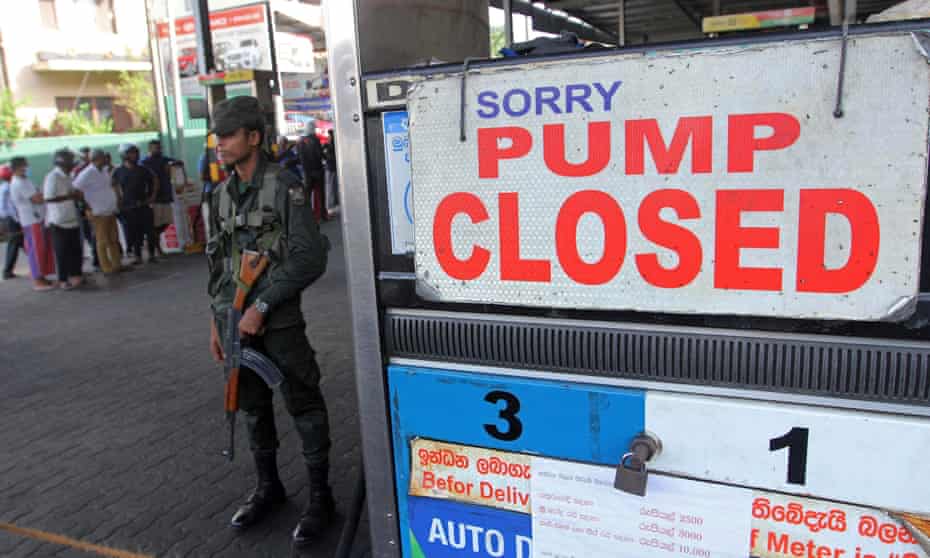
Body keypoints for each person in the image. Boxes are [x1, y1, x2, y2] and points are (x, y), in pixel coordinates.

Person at [206, 96, 333, 545]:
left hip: (277, 325)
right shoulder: (220, 194)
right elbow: (218, 265)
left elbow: (309, 258)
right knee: (252, 407)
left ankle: (322, 497)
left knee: (303, 403)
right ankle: (269, 487)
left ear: (253, 137)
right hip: (232, 322)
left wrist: (262, 307)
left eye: (228, 135)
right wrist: (216, 324)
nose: (218, 143)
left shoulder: (284, 186)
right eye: (216, 136)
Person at [74, 149, 122, 274]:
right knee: (102, 241)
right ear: (97, 159)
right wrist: (86, 206)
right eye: (104, 158)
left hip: (109, 209)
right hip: (98, 211)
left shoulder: (105, 171)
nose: (106, 159)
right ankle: (106, 267)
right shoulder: (87, 173)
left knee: (114, 239)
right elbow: (76, 190)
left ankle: (117, 264)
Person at [9, 158, 55, 291]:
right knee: (36, 250)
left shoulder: (24, 180)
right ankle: (38, 280)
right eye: (25, 166)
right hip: (31, 220)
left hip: (37, 219)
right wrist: (43, 195)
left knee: (41, 249)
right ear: (19, 167)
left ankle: (42, 276)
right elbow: (37, 199)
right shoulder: (18, 183)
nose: (28, 168)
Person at [43, 149, 84, 289]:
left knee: (75, 250)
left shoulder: (68, 176)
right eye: (70, 163)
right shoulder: (52, 177)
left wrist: (76, 195)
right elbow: (48, 197)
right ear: (63, 163)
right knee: (62, 252)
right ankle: (63, 279)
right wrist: (68, 197)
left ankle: (76, 275)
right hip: (58, 221)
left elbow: (71, 193)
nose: (72, 166)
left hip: (71, 218)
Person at [112, 144, 158, 265]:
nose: (135, 155)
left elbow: (154, 179)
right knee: (134, 232)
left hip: (143, 204)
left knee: (150, 231)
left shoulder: (143, 169)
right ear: (124, 155)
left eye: (136, 152)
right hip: (128, 207)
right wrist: (118, 200)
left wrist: (152, 196)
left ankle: (152, 255)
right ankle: (137, 256)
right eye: (132, 153)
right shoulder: (118, 171)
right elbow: (114, 185)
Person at [141, 139, 175, 257]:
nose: (158, 149)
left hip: (166, 196)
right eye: (156, 147)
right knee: (155, 224)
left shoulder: (165, 160)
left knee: (166, 222)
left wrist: (172, 166)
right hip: (154, 198)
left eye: (159, 147)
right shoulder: (145, 163)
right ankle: (156, 248)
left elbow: (178, 163)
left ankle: (153, 241)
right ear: (150, 149)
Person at [72, 146, 99, 271]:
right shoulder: (79, 171)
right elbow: (76, 190)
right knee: (91, 234)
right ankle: (96, 260)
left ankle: (98, 259)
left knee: (95, 234)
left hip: (95, 205)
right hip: (85, 207)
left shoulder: (96, 169)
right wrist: (83, 204)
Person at [297, 119, 326, 221]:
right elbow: (319, 155)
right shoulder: (315, 139)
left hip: (307, 172)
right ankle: (323, 214)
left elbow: (301, 158)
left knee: (307, 195)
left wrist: (306, 171)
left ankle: (306, 217)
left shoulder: (301, 141)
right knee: (321, 194)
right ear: (313, 129)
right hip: (318, 171)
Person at [0, 165, 23, 279]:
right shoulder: (7, 187)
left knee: (21, 242)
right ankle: (7, 271)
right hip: (12, 219)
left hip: (13, 219)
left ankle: (40, 264)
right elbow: (5, 207)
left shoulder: (6, 186)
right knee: (15, 243)